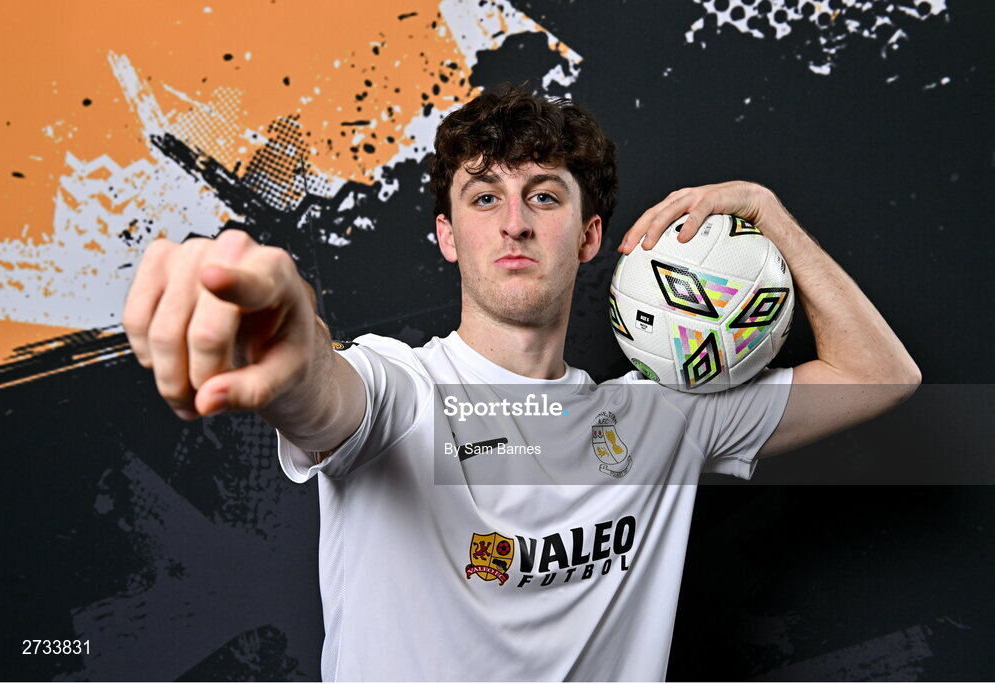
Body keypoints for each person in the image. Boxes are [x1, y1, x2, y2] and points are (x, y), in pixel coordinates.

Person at [122, 83, 920, 680]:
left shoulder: (665, 419)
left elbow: (879, 376)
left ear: (589, 237)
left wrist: (764, 213)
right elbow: (325, 393)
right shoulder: (401, 391)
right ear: (446, 236)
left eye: (543, 196)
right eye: (483, 197)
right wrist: (287, 344)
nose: (514, 222)